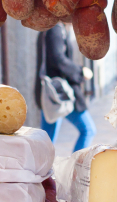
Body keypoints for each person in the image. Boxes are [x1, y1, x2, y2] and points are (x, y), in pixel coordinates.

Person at [36, 23, 96, 151]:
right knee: (88, 130)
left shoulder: (52, 28)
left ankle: (38, 169)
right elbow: (57, 58)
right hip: (59, 94)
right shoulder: (55, 29)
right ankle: (76, 166)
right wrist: (80, 72)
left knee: (46, 141)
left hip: (53, 94)